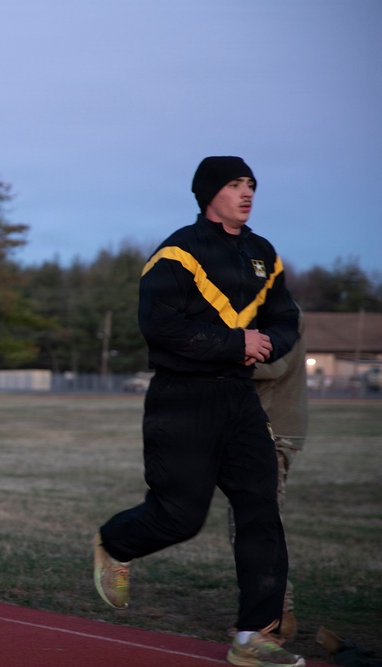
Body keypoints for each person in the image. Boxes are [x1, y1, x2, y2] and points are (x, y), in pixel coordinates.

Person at [92, 157, 306, 667]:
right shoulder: (177, 253)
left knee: (261, 513)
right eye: (235, 185)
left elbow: (286, 318)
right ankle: (115, 543)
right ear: (210, 192)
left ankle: (255, 638)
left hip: (240, 399)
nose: (247, 193)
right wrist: (235, 343)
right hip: (182, 398)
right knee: (180, 517)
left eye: (251, 185)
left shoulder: (263, 253)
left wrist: (264, 345)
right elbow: (160, 326)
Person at [229, 313, 308, 642]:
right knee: (248, 525)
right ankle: (271, 613)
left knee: (257, 526)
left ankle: (273, 619)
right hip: (255, 430)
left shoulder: (278, 310)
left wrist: (203, 351)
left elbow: (270, 364)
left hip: (272, 431)